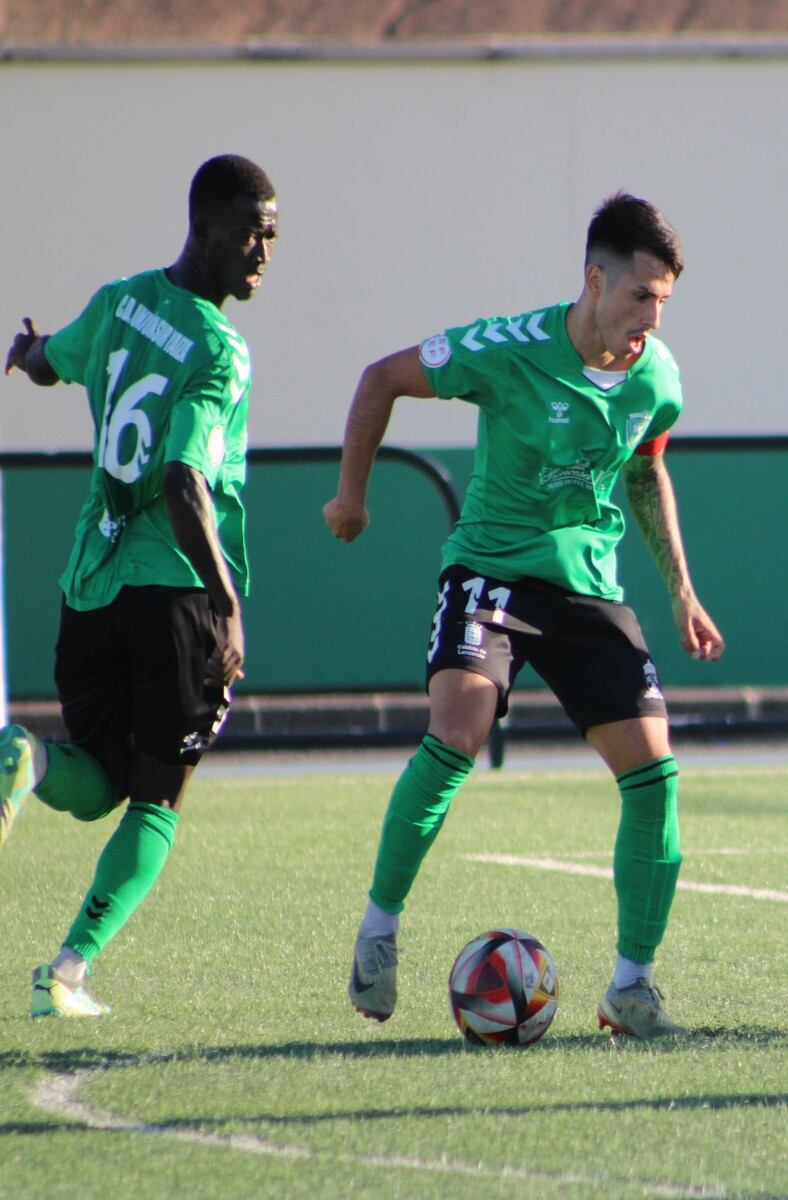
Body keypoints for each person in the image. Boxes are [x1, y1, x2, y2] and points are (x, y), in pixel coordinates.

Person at [324, 192, 724, 1041]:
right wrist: (350, 496)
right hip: (493, 576)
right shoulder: (505, 350)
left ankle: (632, 988)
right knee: (458, 732)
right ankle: (379, 931)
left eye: (664, 302)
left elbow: (648, 471)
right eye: (640, 296)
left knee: (655, 778)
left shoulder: (658, 376)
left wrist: (682, 591)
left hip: (587, 591)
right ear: (593, 280)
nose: (651, 317)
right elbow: (381, 379)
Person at [1, 155, 278, 1018]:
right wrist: (225, 601)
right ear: (201, 229)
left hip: (89, 589)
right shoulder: (219, 349)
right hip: (172, 598)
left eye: (271, 234)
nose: (261, 251)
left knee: (99, 780)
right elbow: (183, 480)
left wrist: (28, 350)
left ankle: (22, 756)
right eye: (247, 232)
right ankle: (67, 972)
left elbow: (56, 363)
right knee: (159, 796)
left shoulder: (120, 300)